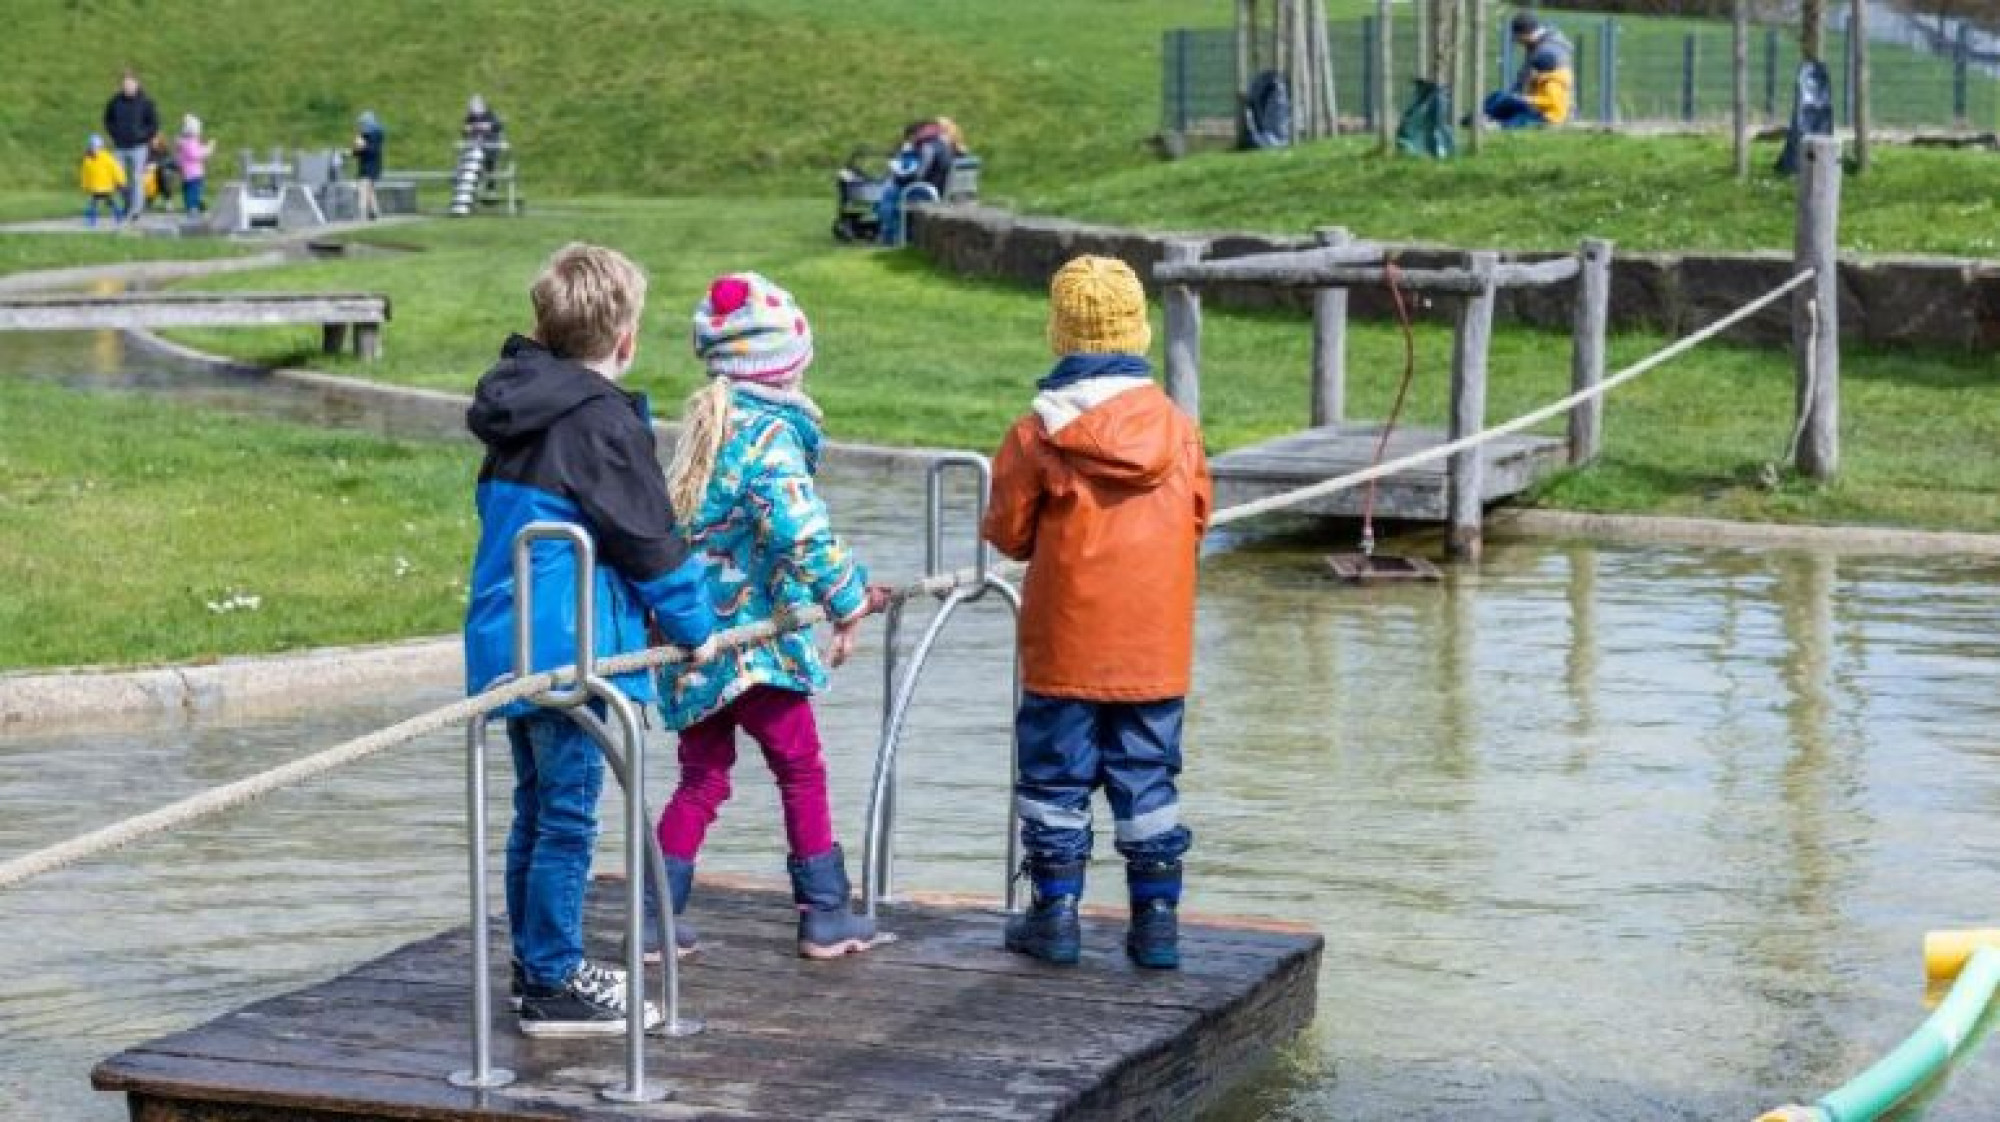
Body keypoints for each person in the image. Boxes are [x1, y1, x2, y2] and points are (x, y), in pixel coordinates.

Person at [462, 243, 717, 1037]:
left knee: (535, 810)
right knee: (569, 818)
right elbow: (651, 541)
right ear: (627, 338)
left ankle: (537, 962)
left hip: (511, 642)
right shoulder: (600, 422)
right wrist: (698, 632)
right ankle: (552, 983)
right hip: (573, 652)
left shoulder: (518, 406)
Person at [650, 272, 892, 961]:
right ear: (787, 367)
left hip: (697, 636)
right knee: (801, 767)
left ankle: (654, 918)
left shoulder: (707, 429)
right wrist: (847, 603)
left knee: (702, 776)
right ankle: (824, 913)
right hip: (756, 647)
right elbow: (801, 531)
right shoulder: (769, 438)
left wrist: (855, 587)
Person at [981, 256, 1211, 970]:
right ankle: (1157, 924)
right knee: (1148, 780)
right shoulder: (1178, 430)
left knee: (1055, 778)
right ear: (1138, 332)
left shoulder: (1036, 435)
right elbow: (1199, 518)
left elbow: (1010, 532)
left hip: (1064, 645)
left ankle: (1055, 916)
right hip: (1154, 648)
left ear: (1060, 335)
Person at [874, 117, 961, 245]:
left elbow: (919, 176)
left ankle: (891, 237)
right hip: (940, 190)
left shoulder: (928, 147)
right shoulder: (943, 144)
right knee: (890, 190)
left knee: (889, 191)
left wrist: (899, 176)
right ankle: (896, 235)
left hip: (927, 192)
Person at [1480, 12, 1574, 129]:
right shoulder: (1538, 47)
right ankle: (1484, 116)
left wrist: (1525, 98)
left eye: (1517, 37)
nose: (1517, 42)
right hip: (1536, 104)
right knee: (1502, 97)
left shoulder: (1548, 53)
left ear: (1525, 33)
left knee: (1515, 112)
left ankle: (1488, 119)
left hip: (1546, 112)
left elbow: (1553, 98)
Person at [102, 70, 158, 222]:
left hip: (138, 146)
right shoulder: (115, 102)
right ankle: (127, 202)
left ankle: (136, 210)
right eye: (125, 85)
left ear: (136, 84)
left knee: (136, 178)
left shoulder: (146, 102)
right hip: (120, 145)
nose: (128, 88)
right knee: (118, 178)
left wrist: (144, 135)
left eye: (130, 84)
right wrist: (114, 133)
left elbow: (153, 123)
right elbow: (107, 120)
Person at [78, 135, 127, 227]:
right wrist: (84, 185)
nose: (94, 149)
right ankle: (92, 221)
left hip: (106, 186)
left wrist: (120, 181)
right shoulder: (87, 159)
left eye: (96, 147)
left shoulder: (106, 158)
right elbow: (84, 173)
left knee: (110, 202)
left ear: (101, 147)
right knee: (94, 204)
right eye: (92, 147)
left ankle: (119, 217)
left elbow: (116, 170)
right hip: (95, 187)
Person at [176, 115, 215, 216]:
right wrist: (209, 148)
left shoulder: (182, 142)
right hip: (194, 172)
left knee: (188, 190)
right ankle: (193, 207)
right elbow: (196, 154)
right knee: (195, 190)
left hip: (185, 171)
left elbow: (182, 155)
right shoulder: (191, 141)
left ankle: (191, 206)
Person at [351, 111, 385, 221]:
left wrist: (363, 146)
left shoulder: (376, 134)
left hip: (372, 166)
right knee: (369, 191)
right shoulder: (364, 135)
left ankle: (362, 213)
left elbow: (373, 151)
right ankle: (374, 212)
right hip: (365, 166)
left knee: (364, 189)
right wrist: (357, 147)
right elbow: (356, 154)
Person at [463, 94, 505, 169]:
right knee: (471, 160)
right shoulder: (470, 118)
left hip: (490, 146)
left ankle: (490, 177)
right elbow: (465, 131)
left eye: (476, 108)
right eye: (472, 109)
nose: (475, 112)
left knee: (489, 167)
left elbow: (498, 125)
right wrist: (467, 130)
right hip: (474, 146)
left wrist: (488, 126)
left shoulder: (490, 115)